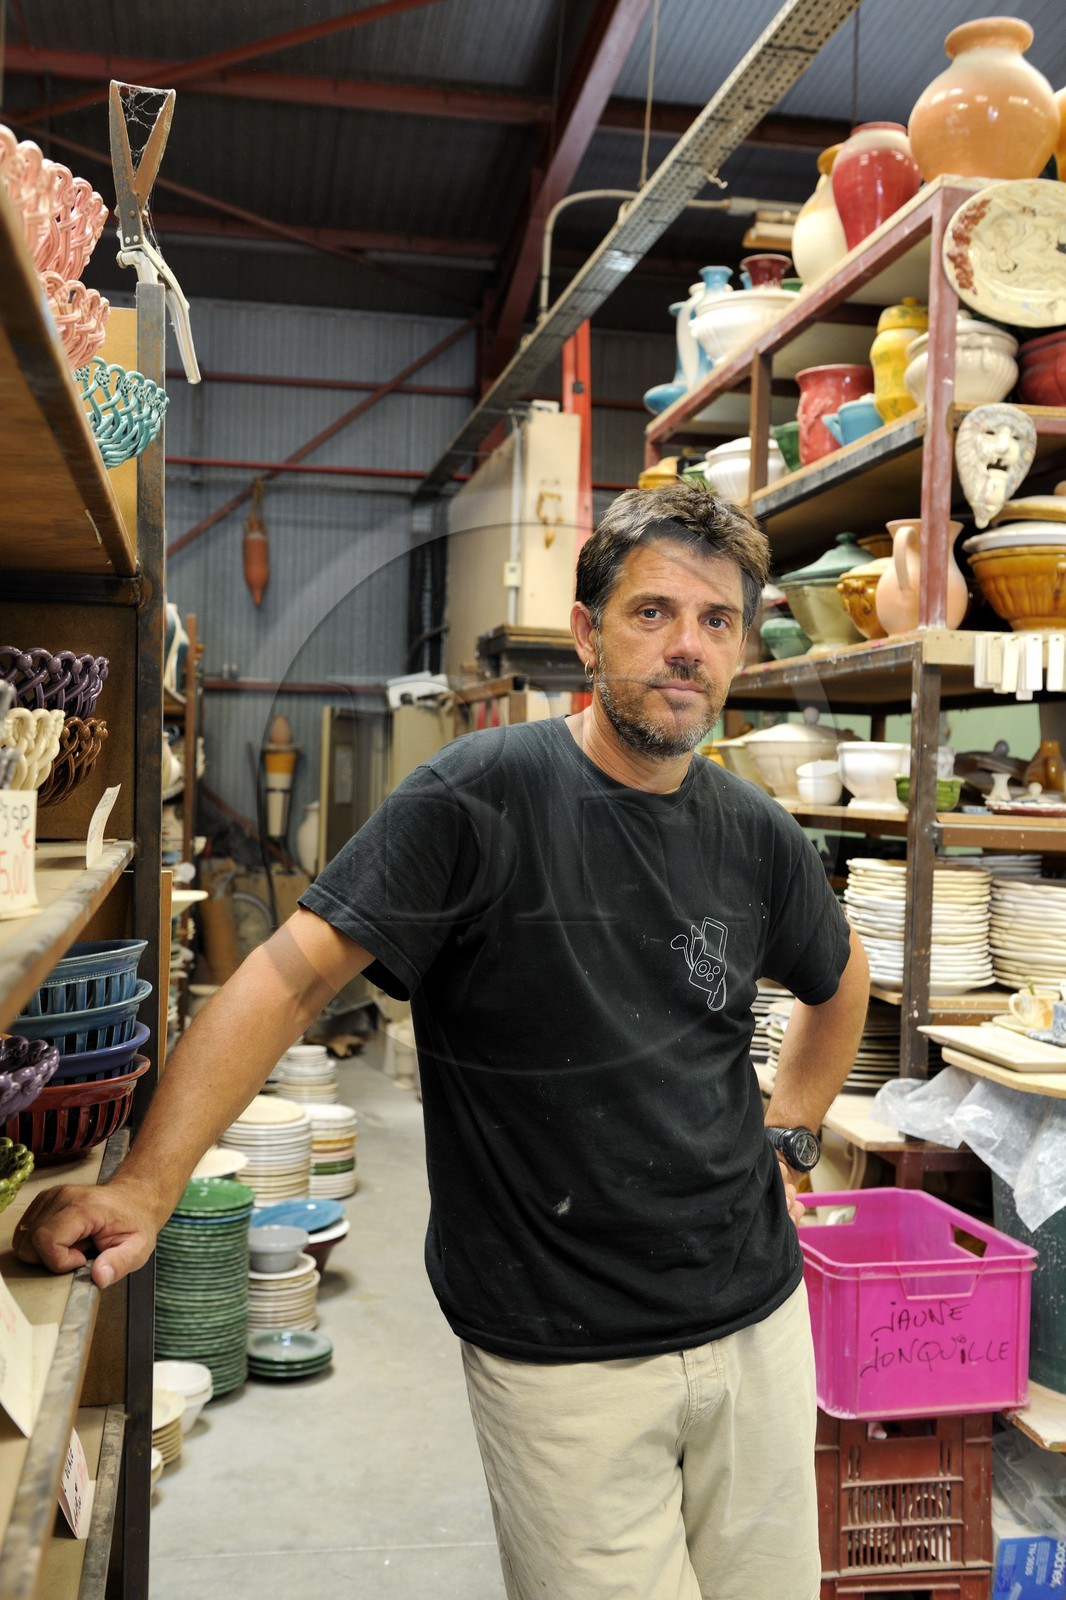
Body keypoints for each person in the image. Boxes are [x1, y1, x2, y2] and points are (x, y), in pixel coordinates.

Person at [16, 478, 869, 1600]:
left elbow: (840, 980)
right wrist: (146, 1186)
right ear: (586, 632)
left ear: (743, 647)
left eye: (717, 621)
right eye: (653, 612)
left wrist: (790, 1131)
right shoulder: (479, 796)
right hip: (561, 1348)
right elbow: (282, 983)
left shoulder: (754, 832)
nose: (686, 647)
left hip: (758, 1320)